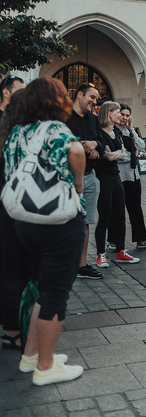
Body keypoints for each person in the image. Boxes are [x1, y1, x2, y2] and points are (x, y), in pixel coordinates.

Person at [1, 77, 86, 385]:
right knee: (56, 294)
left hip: (24, 222)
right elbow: (76, 151)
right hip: (58, 223)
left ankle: (31, 356)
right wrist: (77, 185)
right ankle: (46, 368)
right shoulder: (57, 129)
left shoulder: (16, 132)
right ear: (58, 100)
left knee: (44, 287)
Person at [65, 83, 105, 280]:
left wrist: (95, 144)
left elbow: (102, 142)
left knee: (85, 222)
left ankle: (81, 265)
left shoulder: (93, 119)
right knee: (62, 221)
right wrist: (79, 145)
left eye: (96, 98)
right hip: (64, 179)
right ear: (79, 95)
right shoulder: (62, 117)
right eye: (92, 97)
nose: (94, 101)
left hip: (89, 177)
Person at [93, 102, 139, 267]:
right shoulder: (99, 133)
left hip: (116, 177)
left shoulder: (116, 132)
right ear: (109, 113)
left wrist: (113, 154)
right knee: (105, 217)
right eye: (118, 112)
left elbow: (123, 154)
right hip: (103, 178)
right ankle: (100, 254)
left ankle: (121, 251)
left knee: (120, 216)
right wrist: (115, 155)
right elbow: (102, 157)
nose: (120, 115)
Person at [0, 89, 28, 351]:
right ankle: (12, 330)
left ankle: (12, 327)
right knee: (15, 270)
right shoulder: (20, 138)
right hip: (15, 212)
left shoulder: (10, 135)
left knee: (11, 269)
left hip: (9, 209)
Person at [114, 104, 146, 250]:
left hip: (133, 175)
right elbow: (120, 156)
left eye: (127, 115)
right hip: (120, 176)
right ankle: (113, 241)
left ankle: (141, 239)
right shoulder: (112, 132)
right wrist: (131, 155)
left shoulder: (129, 131)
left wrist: (131, 129)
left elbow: (141, 146)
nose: (124, 118)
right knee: (116, 211)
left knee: (136, 209)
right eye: (122, 114)